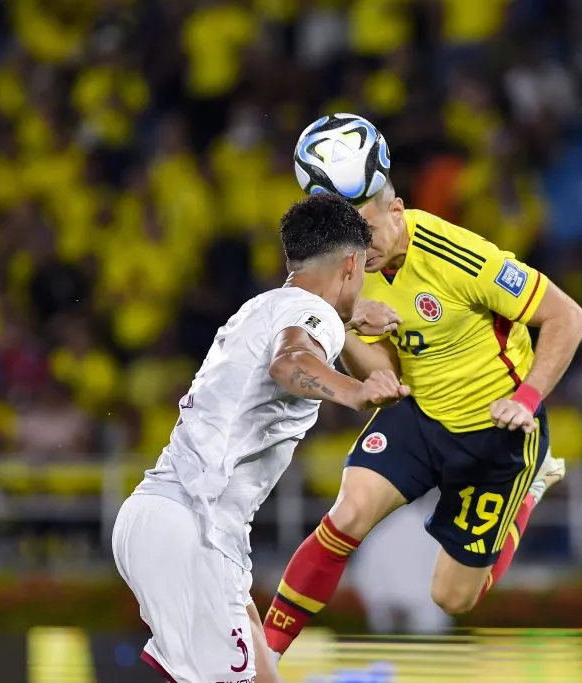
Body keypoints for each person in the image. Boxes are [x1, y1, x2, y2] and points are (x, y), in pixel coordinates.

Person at [263, 175, 582, 657]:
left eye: (369, 231)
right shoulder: (355, 266)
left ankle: (529, 491)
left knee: (452, 598)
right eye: (353, 238)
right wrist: (347, 323)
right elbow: (385, 378)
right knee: (346, 515)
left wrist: (527, 398)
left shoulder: (461, 257)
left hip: (496, 431)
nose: (361, 249)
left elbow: (569, 317)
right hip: (421, 412)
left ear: (397, 210)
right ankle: (262, 659)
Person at [112, 193, 410, 683]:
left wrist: (348, 318)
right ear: (353, 264)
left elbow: (290, 338)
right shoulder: (311, 316)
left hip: (183, 522)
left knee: (262, 672)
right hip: (192, 521)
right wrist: (358, 393)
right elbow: (290, 361)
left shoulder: (261, 308)